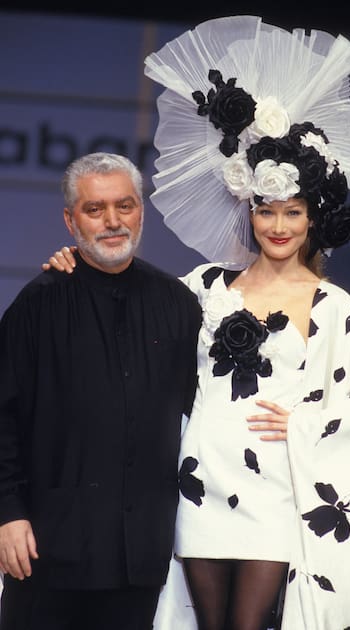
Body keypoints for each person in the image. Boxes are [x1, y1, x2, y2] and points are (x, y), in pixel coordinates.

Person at [45, 16, 350, 630]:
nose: (278, 225)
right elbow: (128, 309)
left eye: (293, 212)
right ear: (248, 211)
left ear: (311, 218)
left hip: (275, 488)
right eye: (266, 210)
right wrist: (76, 263)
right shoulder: (203, 287)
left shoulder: (336, 308)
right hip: (201, 478)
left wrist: (312, 419)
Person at [0, 152, 202, 630]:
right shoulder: (39, 303)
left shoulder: (178, 304)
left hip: (141, 559)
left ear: (141, 211)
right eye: (95, 210)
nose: (113, 221)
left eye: (125, 206)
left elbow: (207, 413)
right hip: (48, 554)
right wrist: (8, 513)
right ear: (71, 220)